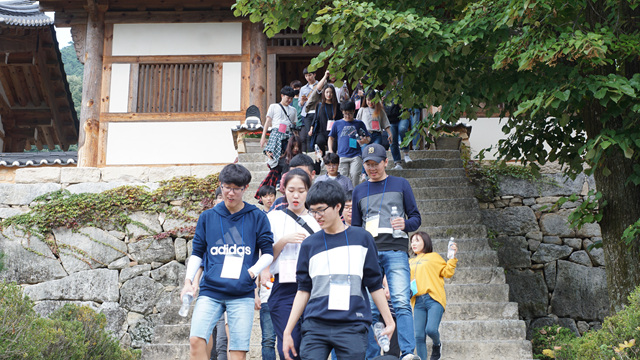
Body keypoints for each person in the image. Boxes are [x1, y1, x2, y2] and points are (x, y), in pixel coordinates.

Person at [281, 180, 395, 360]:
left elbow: (374, 284)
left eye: (321, 210)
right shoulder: (309, 245)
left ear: (338, 206)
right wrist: (288, 331)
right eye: (313, 211)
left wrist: (389, 322)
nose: (317, 216)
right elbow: (303, 290)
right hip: (316, 323)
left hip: (352, 323)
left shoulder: (362, 239)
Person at [181, 164, 274, 360]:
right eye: (226, 187)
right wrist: (188, 281)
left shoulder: (257, 216)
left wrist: (252, 272)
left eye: (236, 188)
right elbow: (197, 253)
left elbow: (267, 253)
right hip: (211, 290)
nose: (230, 193)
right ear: (220, 185)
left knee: (237, 352)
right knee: (196, 339)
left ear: (245, 188)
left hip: (242, 293)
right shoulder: (208, 217)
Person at [351, 143, 422, 360]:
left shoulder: (401, 184)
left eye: (376, 164)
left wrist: (405, 224)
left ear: (385, 162)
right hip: (369, 253)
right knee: (371, 307)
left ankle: (408, 352)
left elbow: (416, 218)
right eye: (367, 165)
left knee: (401, 301)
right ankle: (374, 354)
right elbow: (355, 227)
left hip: (396, 249)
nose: (372, 168)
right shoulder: (359, 190)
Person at [264, 169, 321, 360]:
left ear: (308, 192)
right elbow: (265, 257)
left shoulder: (317, 220)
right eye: (291, 190)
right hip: (284, 287)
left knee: (313, 347)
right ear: (284, 191)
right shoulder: (273, 218)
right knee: (289, 348)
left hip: (314, 288)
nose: (296, 195)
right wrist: (283, 241)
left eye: (301, 190)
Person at [409, 232, 458, 360]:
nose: (413, 243)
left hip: (433, 299)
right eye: (412, 241)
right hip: (418, 301)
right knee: (418, 336)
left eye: (417, 240)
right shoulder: (410, 261)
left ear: (425, 242)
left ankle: (437, 344)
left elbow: (447, 272)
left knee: (430, 330)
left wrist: (452, 258)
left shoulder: (434, 257)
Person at [327, 100, 370, 187]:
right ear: (342, 112)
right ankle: (345, 198)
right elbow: (331, 138)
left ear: (354, 111)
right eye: (345, 113)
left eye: (350, 113)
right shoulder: (337, 123)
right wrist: (331, 150)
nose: (347, 116)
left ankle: (354, 195)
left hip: (356, 155)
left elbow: (368, 138)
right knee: (343, 179)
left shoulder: (359, 123)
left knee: (355, 175)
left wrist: (363, 141)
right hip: (342, 155)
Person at [261, 86, 297, 170]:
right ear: (282, 96)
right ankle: (275, 178)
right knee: (273, 157)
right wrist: (263, 137)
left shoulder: (293, 110)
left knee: (288, 157)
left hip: (288, 135)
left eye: (291, 98)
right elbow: (267, 122)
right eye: (288, 98)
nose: (289, 100)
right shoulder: (273, 106)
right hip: (276, 134)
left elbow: (294, 125)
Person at [386, 101, 412, 170]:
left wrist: (403, 105)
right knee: (392, 140)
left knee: (402, 129)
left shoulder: (400, 91)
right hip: (390, 120)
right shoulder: (383, 94)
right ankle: (397, 163)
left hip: (402, 116)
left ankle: (406, 153)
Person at [299, 68, 318, 152]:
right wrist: (302, 101)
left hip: (317, 112)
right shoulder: (303, 89)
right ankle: (311, 153)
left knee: (318, 134)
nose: (308, 77)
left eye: (310, 75)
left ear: (314, 74)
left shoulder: (320, 85)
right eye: (306, 76)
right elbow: (300, 104)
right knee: (309, 134)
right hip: (307, 114)